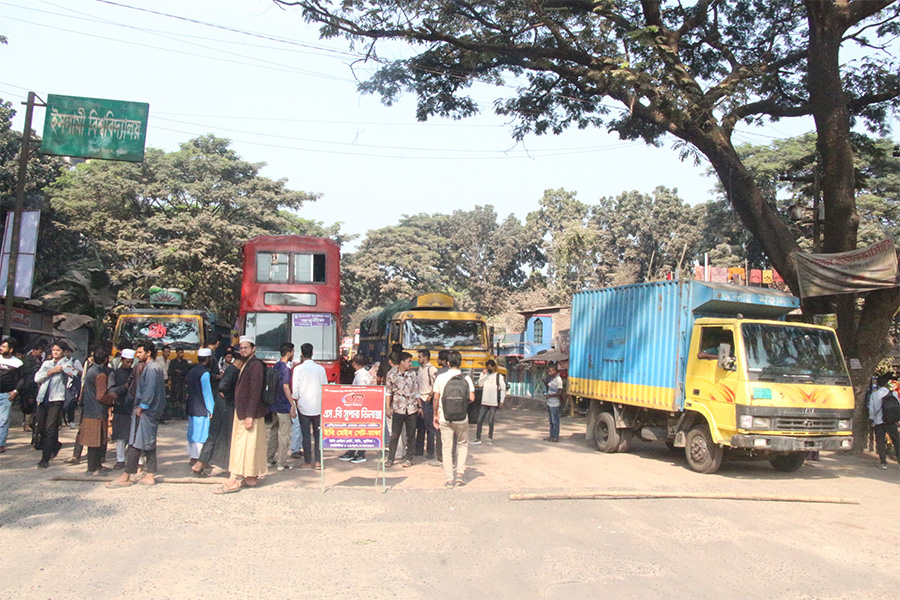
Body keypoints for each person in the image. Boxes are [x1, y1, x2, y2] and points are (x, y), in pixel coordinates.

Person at [107, 340, 166, 488]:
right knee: (147, 443)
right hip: (150, 411)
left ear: (148, 353)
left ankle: (126, 476)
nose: (137, 355)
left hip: (146, 411)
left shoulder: (151, 369)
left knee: (135, 442)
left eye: (140, 352)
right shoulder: (153, 367)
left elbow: (150, 390)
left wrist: (142, 406)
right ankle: (149, 474)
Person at [216, 336, 268, 494]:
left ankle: (233, 479)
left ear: (254, 348)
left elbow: (255, 392)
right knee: (249, 446)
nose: (243, 350)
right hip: (244, 412)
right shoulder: (248, 363)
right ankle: (250, 477)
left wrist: (250, 415)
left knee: (242, 447)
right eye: (241, 348)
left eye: (246, 347)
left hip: (248, 413)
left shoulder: (256, 365)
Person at [193, 347, 242, 477]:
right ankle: (200, 464)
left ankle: (209, 463)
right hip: (224, 406)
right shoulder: (233, 370)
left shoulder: (230, 369)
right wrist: (229, 395)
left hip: (222, 405)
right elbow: (223, 386)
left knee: (216, 435)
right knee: (217, 435)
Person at [432, 350, 475, 488]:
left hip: (444, 416)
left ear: (448, 363)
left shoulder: (440, 377)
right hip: (462, 418)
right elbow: (472, 398)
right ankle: (460, 475)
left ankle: (449, 479)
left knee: (447, 448)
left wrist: (435, 415)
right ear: (460, 363)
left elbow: (436, 398)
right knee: (462, 444)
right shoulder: (466, 379)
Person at [33, 341, 78, 468]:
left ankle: (45, 459)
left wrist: (64, 369)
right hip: (43, 398)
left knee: (50, 429)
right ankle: (56, 444)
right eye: (53, 350)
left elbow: (73, 373)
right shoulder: (47, 363)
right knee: (40, 428)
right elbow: (37, 378)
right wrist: (51, 371)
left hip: (56, 399)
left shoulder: (66, 362)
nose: (55, 352)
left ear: (63, 351)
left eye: (58, 350)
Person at [79, 345, 114, 476]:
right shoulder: (101, 374)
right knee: (96, 441)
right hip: (97, 412)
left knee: (93, 441)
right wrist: (111, 399)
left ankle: (95, 466)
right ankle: (94, 469)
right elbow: (101, 396)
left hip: (89, 409)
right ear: (106, 359)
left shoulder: (91, 370)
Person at [292, 342, 327, 470]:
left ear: (301, 354)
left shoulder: (298, 369)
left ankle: (307, 462)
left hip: (303, 407)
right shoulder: (320, 369)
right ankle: (318, 461)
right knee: (318, 435)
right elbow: (325, 387)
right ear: (312, 353)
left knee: (306, 434)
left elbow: (295, 391)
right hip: (318, 406)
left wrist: (296, 402)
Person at [385, 352, 420, 468]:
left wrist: (420, 407)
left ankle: (409, 458)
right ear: (402, 362)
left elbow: (416, 392)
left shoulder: (413, 374)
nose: (411, 363)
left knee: (410, 435)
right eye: (409, 361)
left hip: (411, 409)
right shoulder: (391, 375)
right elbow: (388, 392)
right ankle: (391, 458)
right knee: (395, 435)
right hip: (398, 408)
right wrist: (387, 408)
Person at [339, 354, 373, 464]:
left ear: (354, 364)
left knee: (360, 430)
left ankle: (361, 453)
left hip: (360, 407)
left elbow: (363, 392)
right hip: (358, 407)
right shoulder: (361, 374)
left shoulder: (362, 376)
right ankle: (352, 451)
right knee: (354, 429)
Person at [267, 343, 296, 472]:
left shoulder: (276, 366)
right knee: (284, 435)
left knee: (274, 432)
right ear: (289, 353)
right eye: (293, 352)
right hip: (283, 406)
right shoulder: (285, 369)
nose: (293, 354)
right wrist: (292, 404)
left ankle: (269, 458)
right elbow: (286, 386)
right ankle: (281, 462)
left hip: (274, 405)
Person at [186, 348, 216, 464]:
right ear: (208, 359)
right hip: (201, 408)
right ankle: (198, 460)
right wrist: (211, 409)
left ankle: (193, 457)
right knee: (201, 435)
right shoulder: (205, 374)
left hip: (192, 407)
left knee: (193, 433)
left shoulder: (192, 371)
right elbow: (207, 393)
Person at [108, 348, 135, 469]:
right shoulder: (115, 374)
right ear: (122, 360)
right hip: (120, 407)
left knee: (132, 435)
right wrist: (123, 388)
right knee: (120, 437)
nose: (129, 364)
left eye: (131, 362)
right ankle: (120, 459)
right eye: (127, 362)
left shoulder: (134, 373)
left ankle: (132, 460)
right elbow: (111, 391)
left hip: (132, 407)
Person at [868, 374, 900, 469]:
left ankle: (883, 463)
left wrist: (872, 419)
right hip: (891, 421)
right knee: (897, 441)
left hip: (879, 422)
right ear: (886, 384)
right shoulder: (893, 393)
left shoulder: (874, 394)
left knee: (880, 442)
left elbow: (872, 409)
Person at [0, 337, 24, 453]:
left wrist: (15, 391)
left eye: (4, 346)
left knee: (3, 420)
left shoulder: (17, 363)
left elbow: (22, 378)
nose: (1, 348)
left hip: (6, 395)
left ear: (10, 350)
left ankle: (1, 444)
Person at [474, 359, 505, 445]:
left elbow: (503, 389)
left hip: (493, 402)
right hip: (484, 401)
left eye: (490, 367)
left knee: (491, 420)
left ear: (494, 367)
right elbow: (480, 384)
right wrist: (483, 375)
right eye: (488, 367)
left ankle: (490, 437)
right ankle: (478, 437)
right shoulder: (484, 375)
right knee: (479, 420)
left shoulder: (499, 377)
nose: (489, 368)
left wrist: (501, 401)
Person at [415, 349, 438, 459]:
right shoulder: (420, 369)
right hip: (420, 400)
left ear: (425, 357)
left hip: (427, 400)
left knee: (429, 427)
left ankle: (430, 451)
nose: (418, 359)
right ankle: (419, 450)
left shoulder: (432, 369)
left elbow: (436, 384)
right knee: (420, 427)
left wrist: (430, 395)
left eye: (419, 357)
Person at [18, 341, 44, 434]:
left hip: (34, 385)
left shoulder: (38, 360)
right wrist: (35, 367)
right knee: (27, 404)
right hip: (26, 385)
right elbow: (25, 371)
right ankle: (26, 424)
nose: (40, 353)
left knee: (33, 405)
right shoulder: (27, 360)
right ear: (34, 350)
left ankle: (31, 423)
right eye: (39, 351)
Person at [543, 365, 563, 443]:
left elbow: (560, 392)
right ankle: (551, 435)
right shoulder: (551, 379)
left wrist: (550, 395)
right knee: (551, 420)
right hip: (549, 402)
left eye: (551, 371)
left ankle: (556, 436)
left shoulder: (558, 380)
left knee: (555, 421)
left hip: (555, 403)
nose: (549, 372)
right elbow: (548, 389)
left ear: (555, 371)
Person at [167, 347, 189, 416]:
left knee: (182, 397)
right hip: (175, 382)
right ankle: (174, 414)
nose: (181, 354)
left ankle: (182, 414)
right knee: (174, 397)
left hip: (182, 382)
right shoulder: (173, 362)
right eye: (180, 352)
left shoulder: (185, 362)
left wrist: (180, 372)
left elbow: (186, 371)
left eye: (182, 352)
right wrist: (176, 372)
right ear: (176, 353)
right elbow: (170, 371)